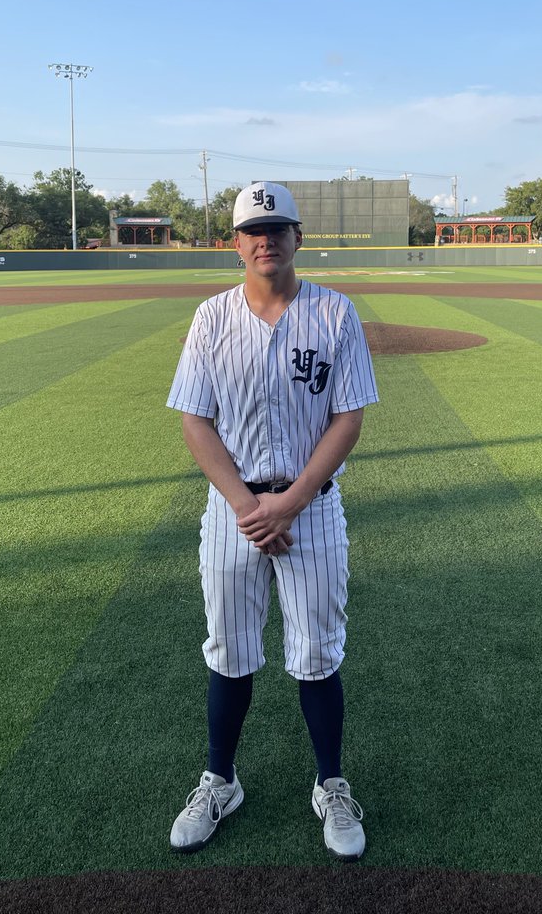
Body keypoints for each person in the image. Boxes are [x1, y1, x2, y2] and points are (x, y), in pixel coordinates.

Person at [166, 180, 379, 861]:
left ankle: (331, 785)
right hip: (233, 510)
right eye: (253, 230)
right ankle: (219, 782)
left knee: (317, 654)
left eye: (278, 227)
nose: (266, 239)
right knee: (229, 652)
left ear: (296, 237)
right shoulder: (210, 318)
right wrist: (245, 507)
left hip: (309, 509)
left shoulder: (335, 314)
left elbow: (349, 417)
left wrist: (288, 502)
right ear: (235, 243)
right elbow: (193, 419)